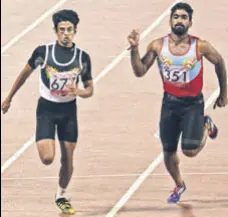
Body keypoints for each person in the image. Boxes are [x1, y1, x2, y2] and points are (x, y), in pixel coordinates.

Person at [127, 2, 227, 203]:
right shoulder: (157, 45)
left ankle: (206, 124)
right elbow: (139, 71)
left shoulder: (200, 46)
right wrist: (134, 49)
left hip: (192, 104)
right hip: (170, 104)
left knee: (189, 151)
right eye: (176, 17)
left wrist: (224, 93)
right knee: (168, 151)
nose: (179, 20)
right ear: (170, 20)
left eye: (183, 17)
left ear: (190, 22)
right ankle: (179, 185)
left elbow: (220, 62)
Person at [1, 9, 93, 214]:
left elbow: (90, 89)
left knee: (68, 158)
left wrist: (79, 91)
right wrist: (9, 98)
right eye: (62, 30)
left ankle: (61, 194)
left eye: (70, 30)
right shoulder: (43, 52)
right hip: (47, 109)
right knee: (47, 158)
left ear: (75, 31)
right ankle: (45, 137)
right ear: (56, 31)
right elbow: (24, 74)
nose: (66, 33)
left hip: (69, 111)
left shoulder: (82, 58)